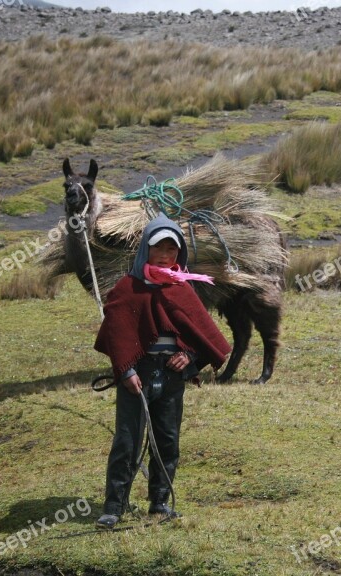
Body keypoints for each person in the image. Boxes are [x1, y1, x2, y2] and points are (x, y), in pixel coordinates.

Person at [93, 214, 232, 529]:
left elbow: (200, 333)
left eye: (172, 248)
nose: (166, 254)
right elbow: (118, 334)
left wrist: (189, 357)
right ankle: (114, 506)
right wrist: (126, 371)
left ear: (179, 252)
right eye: (159, 247)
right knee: (127, 442)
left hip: (171, 378)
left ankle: (159, 503)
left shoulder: (183, 288)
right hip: (136, 377)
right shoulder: (128, 288)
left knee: (168, 441)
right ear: (146, 249)